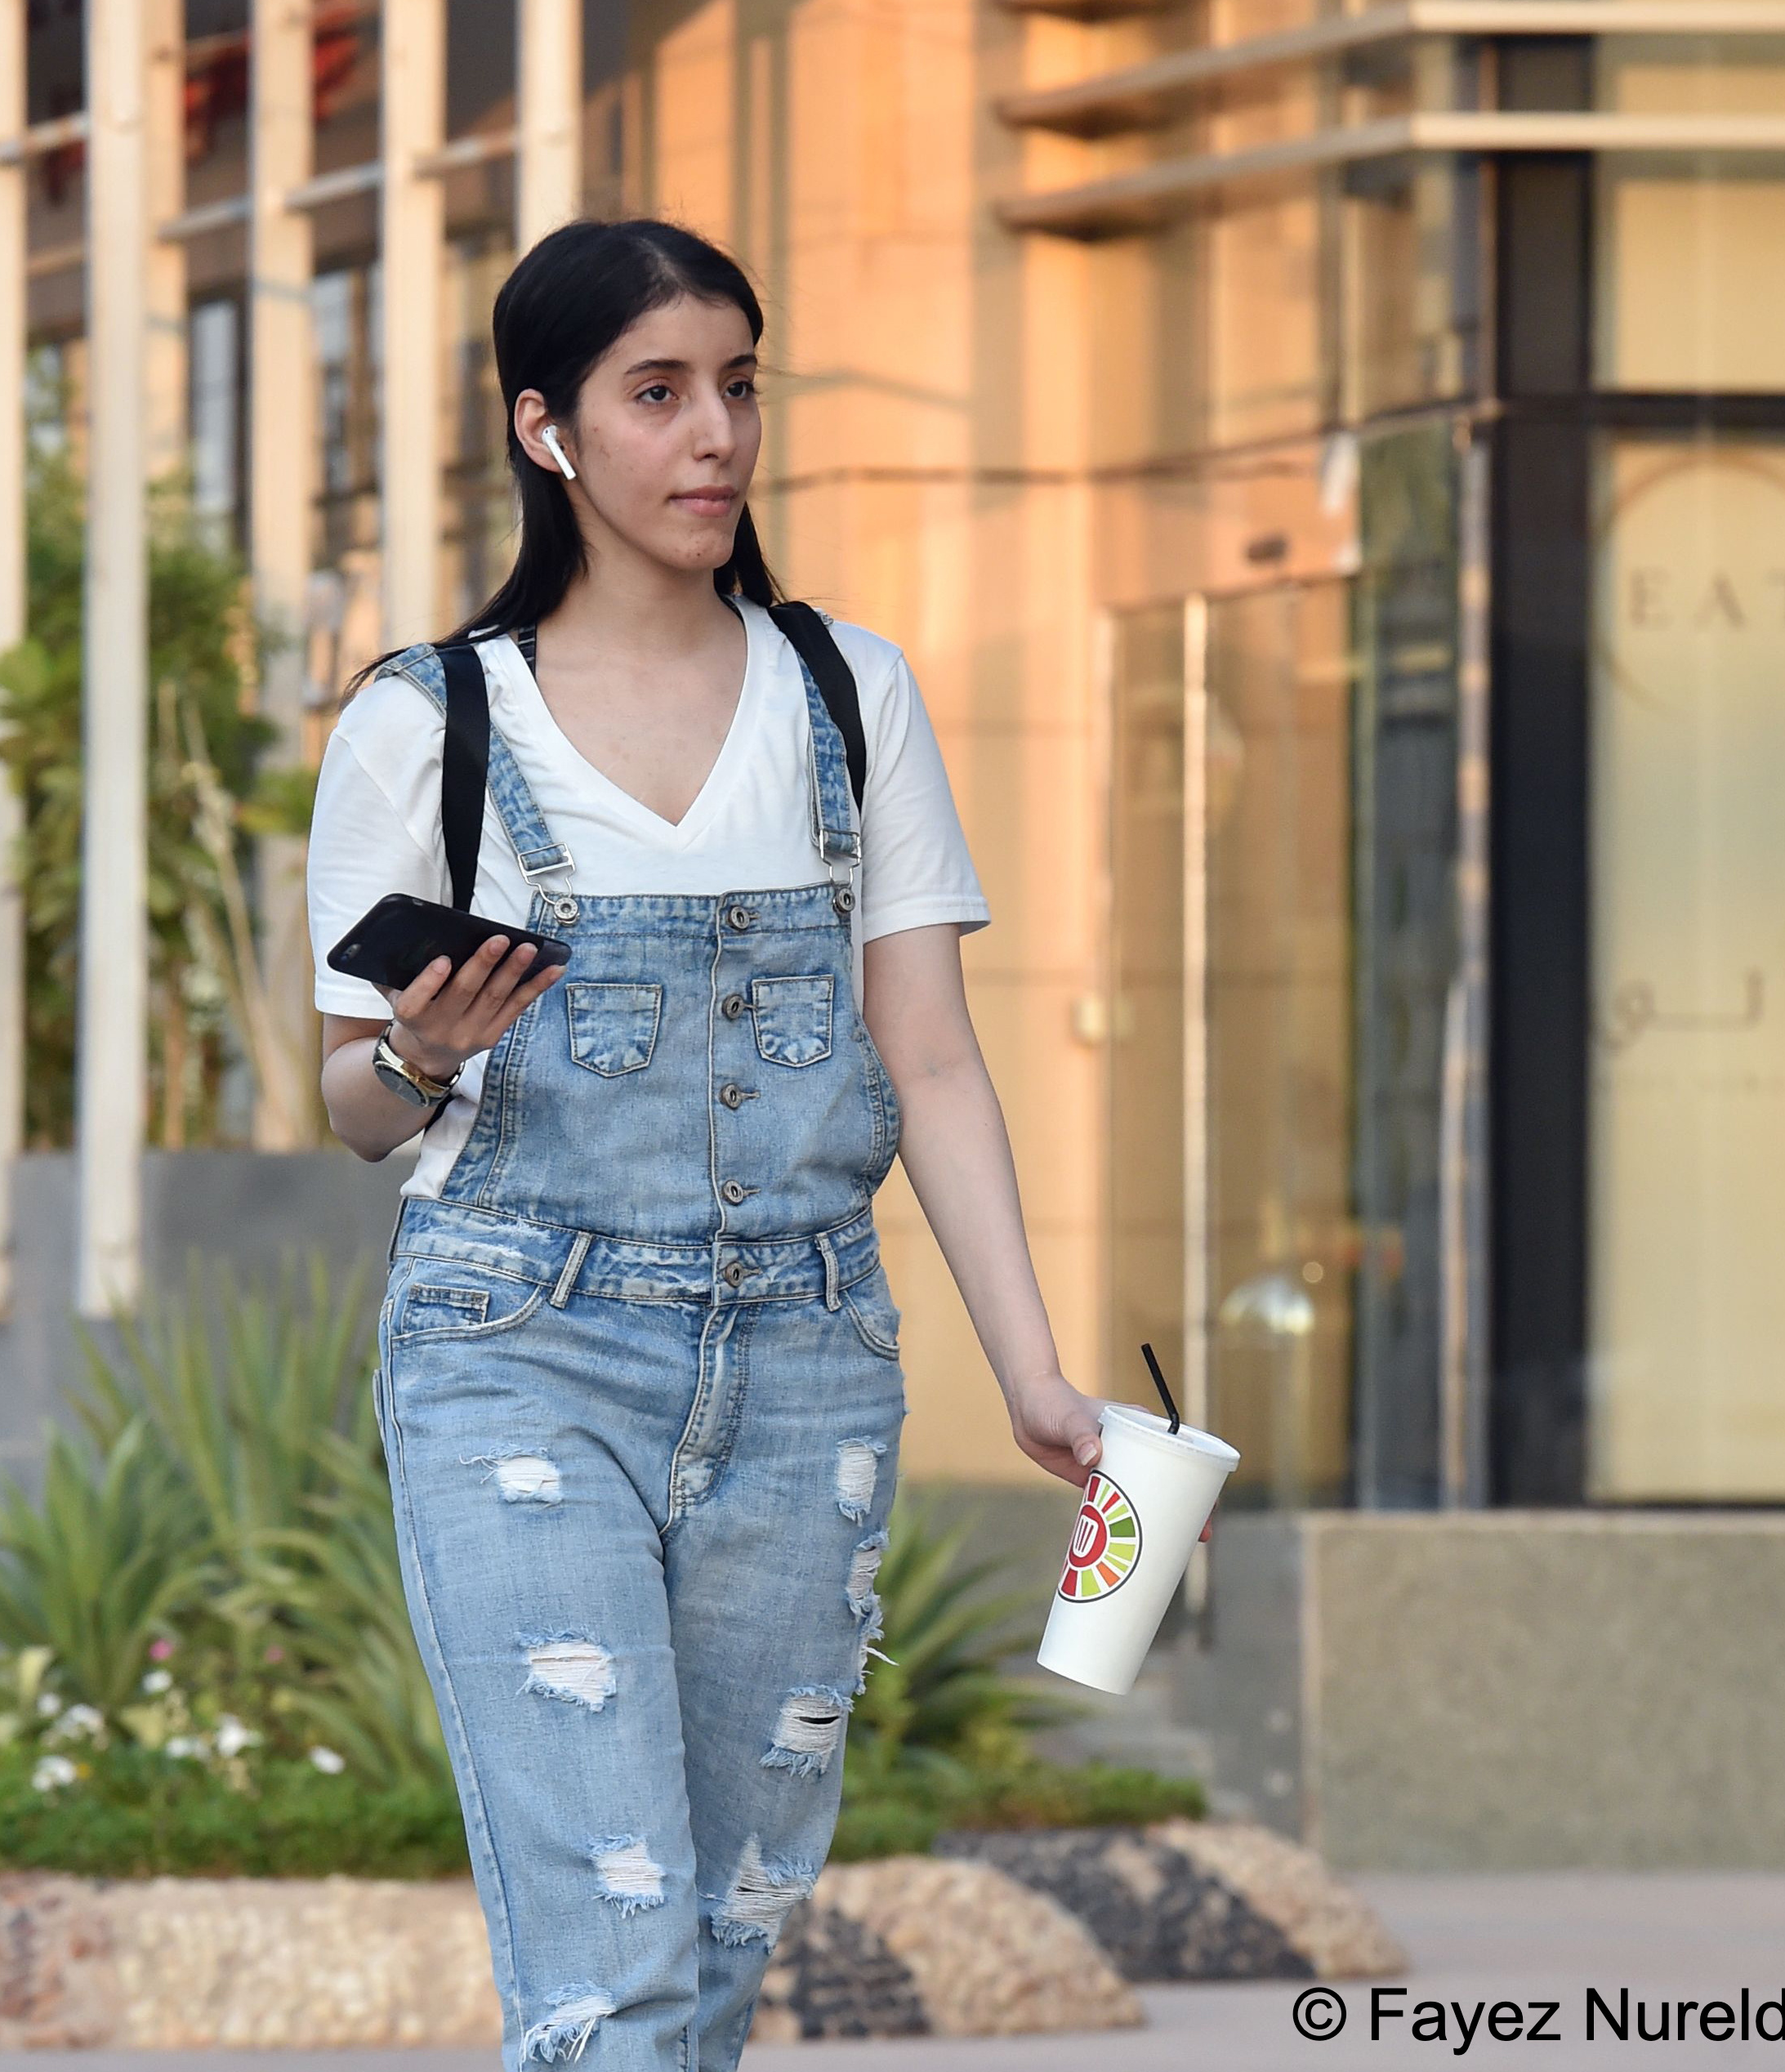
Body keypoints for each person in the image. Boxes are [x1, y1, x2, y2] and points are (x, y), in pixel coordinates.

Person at [304, 217, 1146, 2071]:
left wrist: (1034, 1376)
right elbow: (347, 1106)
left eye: (738, 387)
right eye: (658, 393)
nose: (714, 438)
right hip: (518, 1349)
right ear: (548, 431)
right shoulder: (426, 724)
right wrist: (422, 1057)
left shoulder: (845, 693)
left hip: (805, 1358)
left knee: (716, 1951)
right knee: (606, 1959)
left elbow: (928, 1060)